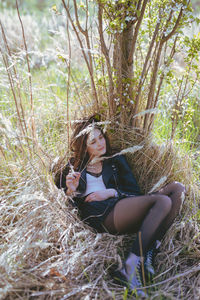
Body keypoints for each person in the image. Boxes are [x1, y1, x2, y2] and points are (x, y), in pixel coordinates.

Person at [55, 114, 185, 297]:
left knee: (178, 189)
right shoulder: (73, 167)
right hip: (102, 216)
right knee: (163, 201)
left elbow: (135, 194)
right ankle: (129, 266)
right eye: (93, 142)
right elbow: (65, 203)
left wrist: (111, 192)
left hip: (121, 206)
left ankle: (148, 252)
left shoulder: (115, 160)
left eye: (101, 137)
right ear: (83, 147)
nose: (101, 143)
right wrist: (71, 191)